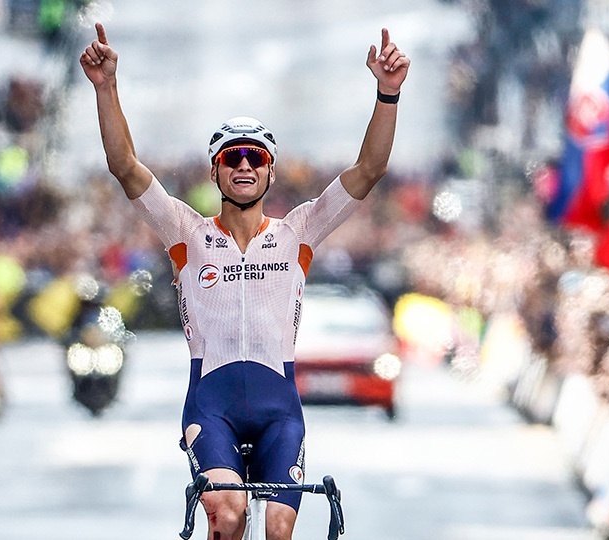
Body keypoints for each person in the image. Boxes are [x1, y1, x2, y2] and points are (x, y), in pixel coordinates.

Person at [81, 22, 410, 540]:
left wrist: (387, 93)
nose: (243, 166)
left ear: (270, 172)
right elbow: (125, 167)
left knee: (279, 527)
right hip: (212, 408)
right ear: (214, 172)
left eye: (255, 157)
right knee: (230, 513)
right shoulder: (186, 233)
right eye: (230, 157)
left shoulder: (298, 232)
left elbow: (368, 170)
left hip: (280, 411)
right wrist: (106, 87)